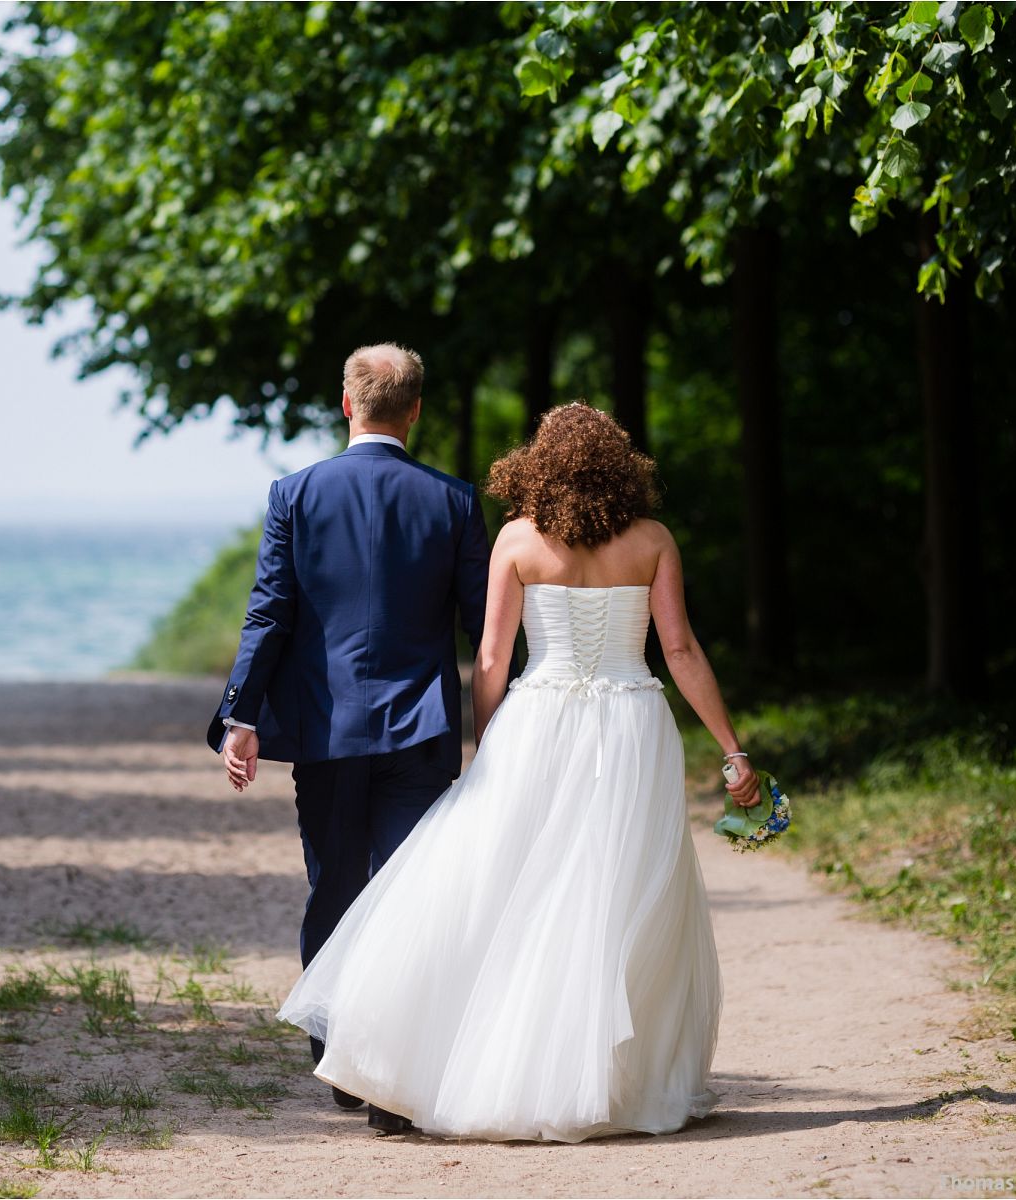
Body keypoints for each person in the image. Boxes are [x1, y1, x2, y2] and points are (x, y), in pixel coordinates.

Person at [275, 401, 760, 1142]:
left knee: (515, 891)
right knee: (618, 898)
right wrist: (732, 750)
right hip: (632, 725)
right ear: (620, 465)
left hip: (540, 720)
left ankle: (484, 1066)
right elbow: (682, 651)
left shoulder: (516, 540)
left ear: (538, 464)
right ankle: (612, 1082)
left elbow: (494, 658)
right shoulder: (654, 540)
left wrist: (487, 745)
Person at [207, 342, 491, 1134]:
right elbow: (484, 628)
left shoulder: (295, 494)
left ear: (347, 405)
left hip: (327, 730)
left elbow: (270, 614)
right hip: (421, 728)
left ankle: (337, 1046)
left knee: (335, 885)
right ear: (417, 410)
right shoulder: (454, 501)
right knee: (407, 895)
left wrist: (242, 715)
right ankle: (390, 1073)